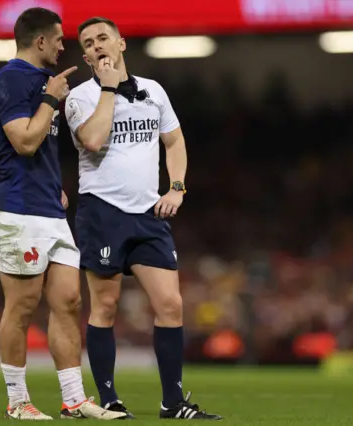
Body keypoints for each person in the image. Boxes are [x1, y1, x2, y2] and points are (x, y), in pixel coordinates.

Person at [65, 16, 223, 420]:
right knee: (105, 306)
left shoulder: (153, 91)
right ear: (85, 55)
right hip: (102, 211)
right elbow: (94, 140)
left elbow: (174, 140)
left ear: (121, 43)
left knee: (170, 304)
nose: (98, 45)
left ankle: (172, 403)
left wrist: (177, 186)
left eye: (104, 37)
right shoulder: (80, 98)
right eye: (90, 42)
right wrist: (109, 88)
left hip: (148, 212)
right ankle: (109, 398)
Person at [0, 8, 127, 421]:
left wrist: (54, 188)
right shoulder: (11, 79)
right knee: (23, 305)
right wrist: (50, 97)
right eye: (60, 39)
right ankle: (17, 401)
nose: (65, 46)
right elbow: (25, 142)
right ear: (40, 41)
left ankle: (73, 400)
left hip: (48, 209)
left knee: (68, 301)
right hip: (16, 209)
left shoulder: (41, 82)